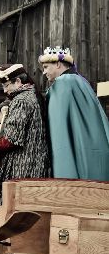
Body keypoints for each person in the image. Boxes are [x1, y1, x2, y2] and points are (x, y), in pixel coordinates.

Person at [39, 46, 109, 180]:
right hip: (94, 155)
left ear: (58, 64)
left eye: (46, 67)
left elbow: (59, 131)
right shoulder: (81, 81)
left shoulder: (62, 83)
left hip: (73, 165)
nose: (44, 72)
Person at [0, 64, 51, 206]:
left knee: (14, 207)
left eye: (6, 85)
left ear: (18, 82)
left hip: (22, 166)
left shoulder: (21, 101)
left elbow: (12, 139)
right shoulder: (33, 96)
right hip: (36, 163)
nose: (5, 90)